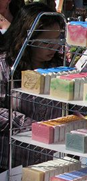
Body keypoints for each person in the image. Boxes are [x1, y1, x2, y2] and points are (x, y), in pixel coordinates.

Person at [0, 3, 63, 171]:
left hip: (47, 163)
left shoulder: (59, 67)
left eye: (58, 40)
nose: (55, 47)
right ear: (27, 39)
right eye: (47, 42)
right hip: (12, 163)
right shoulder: (6, 67)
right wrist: (29, 125)